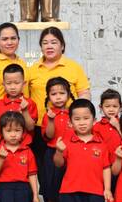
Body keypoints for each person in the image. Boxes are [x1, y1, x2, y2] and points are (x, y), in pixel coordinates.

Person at [53, 99, 112, 202]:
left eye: (86, 118)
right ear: (70, 122)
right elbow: (58, 163)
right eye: (77, 119)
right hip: (69, 192)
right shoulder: (66, 142)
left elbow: (106, 168)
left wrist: (107, 189)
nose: (82, 122)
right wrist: (59, 151)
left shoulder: (101, 144)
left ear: (94, 120)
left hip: (94, 193)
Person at [26, 28, 90, 160]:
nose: (49, 46)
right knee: (43, 168)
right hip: (40, 128)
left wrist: (80, 116)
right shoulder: (32, 70)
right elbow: (25, 97)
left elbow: (84, 93)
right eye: (45, 43)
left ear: (62, 46)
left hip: (69, 126)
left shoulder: (74, 67)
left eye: (54, 42)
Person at [40, 76, 73, 202]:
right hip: (52, 155)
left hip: (72, 157)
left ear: (68, 94)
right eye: (54, 94)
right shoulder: (48, 116)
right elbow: (49, 135)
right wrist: (51, 119)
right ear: (48, 96)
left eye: (62, 93)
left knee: (68, 194)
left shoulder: (74, 114)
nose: (58, 97)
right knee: (52, 193)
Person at [0, 63, 37, 155]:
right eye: (9, 83)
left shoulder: (30, 103)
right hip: (1, 149)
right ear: (3, 84)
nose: (13, 87)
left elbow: (31, 128)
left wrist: (25, 111)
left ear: (24, 84)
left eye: (17, 83)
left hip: (24, 150)